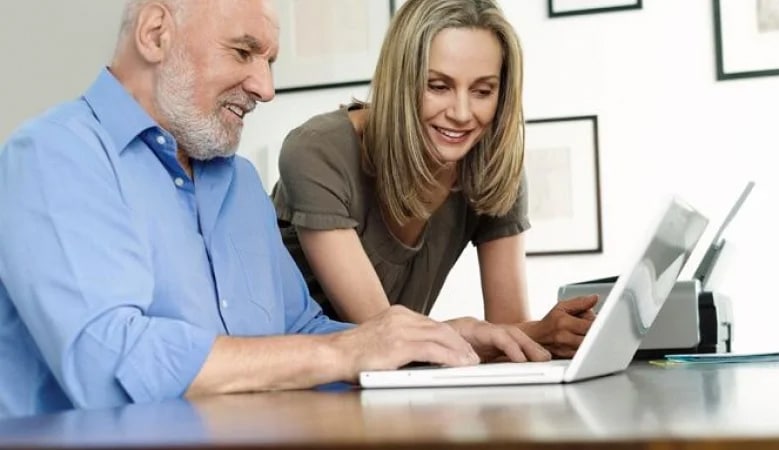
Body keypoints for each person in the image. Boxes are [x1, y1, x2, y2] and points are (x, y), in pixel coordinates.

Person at [0, 0, 549, 419]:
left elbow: (305, 328)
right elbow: (109, 362)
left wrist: (437, 339)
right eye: (243, 52)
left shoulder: (237, 184)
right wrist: (344, 353)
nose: (265, 87)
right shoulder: (54, 156)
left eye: (269, 62)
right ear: (155, 33)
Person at [272, 0, 596, 358]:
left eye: (483, 91)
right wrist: (473, 330)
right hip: (297, 387)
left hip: (395, 389)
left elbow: (510, 333)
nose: (460, 113)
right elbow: (380, 335)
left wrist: (552, 333)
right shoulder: (318, 152)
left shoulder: (491, 168)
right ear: (401, 81)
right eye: (438, 86)